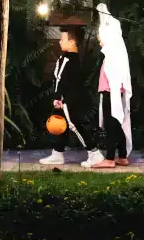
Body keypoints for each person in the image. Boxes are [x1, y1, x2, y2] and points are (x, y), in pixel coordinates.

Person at [39, 26, 102, 166]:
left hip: (67, 99)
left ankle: (94, 153)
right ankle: (57, 153)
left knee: (74, 124)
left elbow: (61, 79)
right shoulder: (69, 58)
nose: (60, 42)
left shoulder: (69, 60)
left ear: (72, 42)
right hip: (66, 98)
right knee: (62, 124)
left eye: (63, 39)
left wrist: (58, 97)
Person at [85, 3, 133, 169]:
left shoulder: (113, 54)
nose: (99, 41)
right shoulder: (113, 52)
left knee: (112, 124)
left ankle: (110, 158)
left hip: (110, 92)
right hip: (110, 92)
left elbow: (113, 76)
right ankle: (122, 156)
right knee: (116, 123)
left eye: (100, 38)